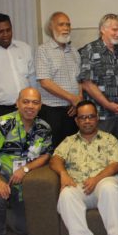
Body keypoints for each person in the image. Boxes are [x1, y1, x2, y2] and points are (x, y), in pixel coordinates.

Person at [0, 87, 52, 235]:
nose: (30, 106)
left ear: (40, 106)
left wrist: (26, 169)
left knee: (23, 230)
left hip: (23, 181)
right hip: (0, 175)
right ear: (17, 103)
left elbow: (45, 155)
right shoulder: (2, 123)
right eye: (26, 101)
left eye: (35, 102)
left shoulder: (44, 127)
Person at [50, 100, 118, 235]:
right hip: (79, 187)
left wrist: (96, 179)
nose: (87, 121)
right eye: (83, 117)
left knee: (109, 187)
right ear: (77, 121)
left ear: (97, 118)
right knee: (65, 195)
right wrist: (63, 174)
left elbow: (116, 165)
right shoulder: (68, 141)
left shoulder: (109, 139)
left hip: (104, 182)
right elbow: (55, 160)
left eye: (91, 116)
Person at [78, 14, 118, 140]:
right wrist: (107, 104)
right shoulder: (89, 50)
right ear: (102, 29)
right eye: (114, 30)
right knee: (100, 153)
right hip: (100, 115)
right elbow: (86, 83)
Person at [36, 11, 82, 147]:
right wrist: (71, 98)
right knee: (53, 151)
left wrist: (78, 100)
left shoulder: (74, 51)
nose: (66, 28)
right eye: (61, 24)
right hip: (52, 112)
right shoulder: (43, 50)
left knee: (72, 151)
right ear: (51, 27)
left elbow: (80, 80)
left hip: (72, 111)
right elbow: (45, 82)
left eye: (68, 24)